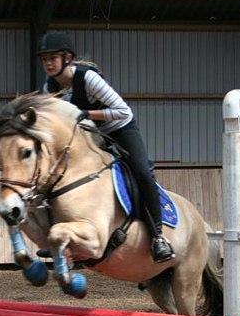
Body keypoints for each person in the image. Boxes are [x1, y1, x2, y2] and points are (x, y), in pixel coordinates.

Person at [36, 31, 175, 263]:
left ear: (67, 58)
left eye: (52, 58)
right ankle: (59, 238)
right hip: (89, 135)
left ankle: (158, 236)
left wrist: (86, 114)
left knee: (140, 172)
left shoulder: (88, 78)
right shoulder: (48, 88)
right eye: (44, 59)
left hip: (120, 129)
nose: (48, 63)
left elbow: (123, 111)